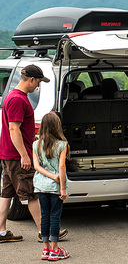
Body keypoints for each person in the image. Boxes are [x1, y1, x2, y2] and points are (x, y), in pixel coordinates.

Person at [0, 64, 67, 243]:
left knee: (6, 193)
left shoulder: (11, 96)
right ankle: (43, 231)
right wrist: (24, 155)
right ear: (31, 79)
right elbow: (14, 129)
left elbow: (17, 129)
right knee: (31, 193)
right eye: (38, 82)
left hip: (8, 155)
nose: (38, 86)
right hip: (17, 157)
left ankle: (1, 232)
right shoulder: (18, 100)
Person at [33, 112, 70, 260]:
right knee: (55, 216)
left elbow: (36, 166)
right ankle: (55, 250)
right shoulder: (62, 145)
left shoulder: (36, 144)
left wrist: (48, 175)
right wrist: (61, 187)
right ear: (57, 126)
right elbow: (61, 166)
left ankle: (45, 249)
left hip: (41, 185)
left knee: (44, 216)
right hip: (55, 187)